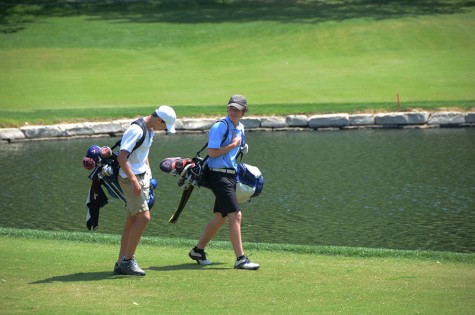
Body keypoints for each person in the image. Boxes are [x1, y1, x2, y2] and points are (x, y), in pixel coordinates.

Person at [189, 94, 260, 270]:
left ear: (244, 112)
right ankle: (241, 259)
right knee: (236, 215)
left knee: (221, 216)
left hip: (230, 175)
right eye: (231, 108)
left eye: (237, 109)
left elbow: (236, 148)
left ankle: (198, 250)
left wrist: (241, 146)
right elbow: (212, 152)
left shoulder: (241, 127)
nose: (233, 111)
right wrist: (233, 145)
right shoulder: (220, 126)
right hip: (218, 175)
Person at [113, 105, 177, 276]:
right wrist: (134, 180)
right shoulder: (137, 130)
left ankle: (120, 263)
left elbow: (144, 153)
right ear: (159, 119)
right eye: (164, 126)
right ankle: (128, 261)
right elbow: (121, 156)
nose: (163, 129)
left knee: (132, 220)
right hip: (129, 178)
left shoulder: (150, 130)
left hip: (142, 177)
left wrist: (148, 174)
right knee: (144, 217)